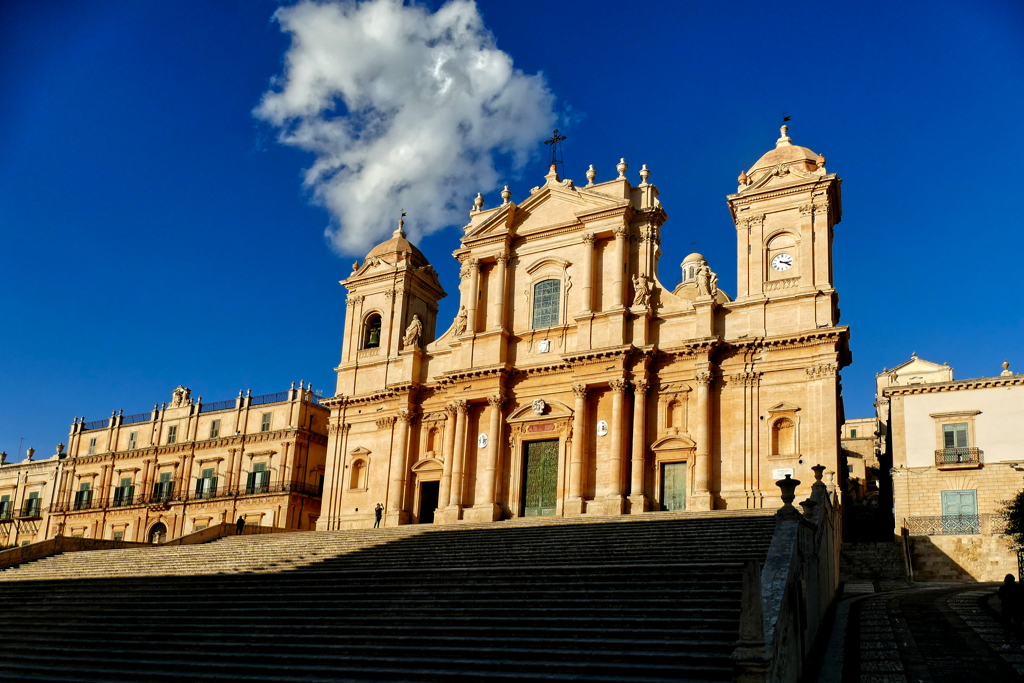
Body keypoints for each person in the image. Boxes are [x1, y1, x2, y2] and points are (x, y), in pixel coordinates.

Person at [998, 574, 1019, 647]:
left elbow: (1000, 596)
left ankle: (1007, 643)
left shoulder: (1003, 588)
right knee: (1018, 624)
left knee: (1006, 625)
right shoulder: (1018, 587)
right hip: (1016, 607)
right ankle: (1022, 642)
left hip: (1006, 607)